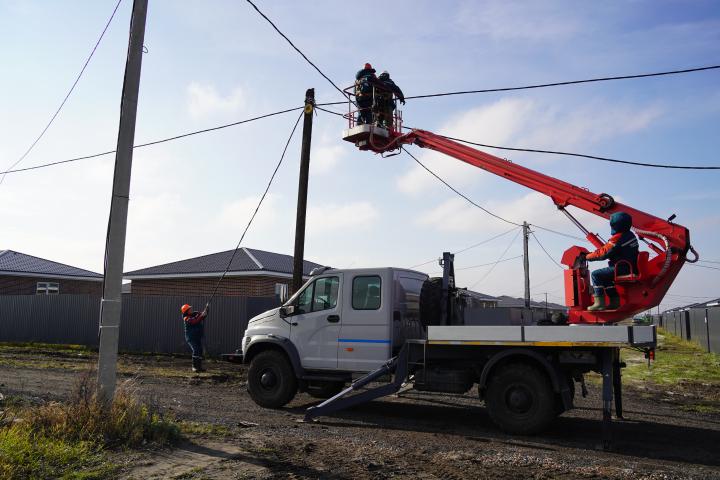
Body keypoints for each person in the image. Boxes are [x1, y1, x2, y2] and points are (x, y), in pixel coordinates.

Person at [582, 212, 639, 311]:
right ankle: (614, 302)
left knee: (596, 275)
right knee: (606, 278)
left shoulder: (618, 237)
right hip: (631, 267)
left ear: (615, 225)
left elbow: (603, 253)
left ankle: (599, 303)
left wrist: (586, 257)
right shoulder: (630, 235)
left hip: (622, 268)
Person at [182, 303, 209, 372]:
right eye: (189, 309)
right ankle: (194, 367)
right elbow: (194, 321)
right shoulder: (186, 318)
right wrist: (201, 316)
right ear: (186, 311)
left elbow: (203, 315)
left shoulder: (195, 313)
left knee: (200, 350)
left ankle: (199, 367)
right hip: (191, 338)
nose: (190, 309)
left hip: (197, 336)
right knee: (196, 350)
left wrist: (206, 309)